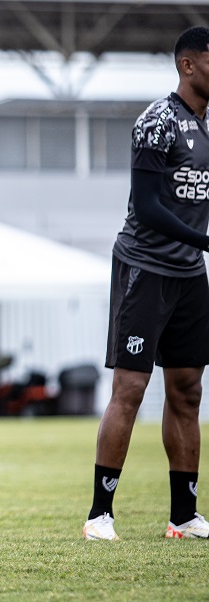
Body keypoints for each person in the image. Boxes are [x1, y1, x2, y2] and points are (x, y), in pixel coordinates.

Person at [82, 26, 209, 542]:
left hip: (190, 276)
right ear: (188, 65)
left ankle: (183, 516)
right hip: (144, 269)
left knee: (188, 390)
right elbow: (151, 208)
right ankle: (100, 514)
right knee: (130, 389)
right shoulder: (157, 122)